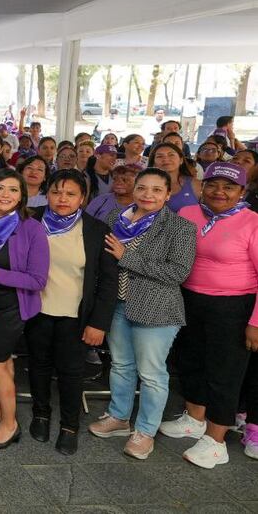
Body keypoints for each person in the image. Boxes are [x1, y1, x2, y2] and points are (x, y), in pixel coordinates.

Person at [89, 168, 196, 460]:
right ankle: (119, 417)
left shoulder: (180, 227)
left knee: (151, 374)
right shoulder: (116, 218)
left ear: (168, 194)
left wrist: (127, 257)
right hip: (118, 304)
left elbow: (178, 272)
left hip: (157, 309)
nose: (148, 194)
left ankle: (145, 431)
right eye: (142, 188)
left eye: (156, 190)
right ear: (134, 190)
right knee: (121, 365)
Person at [163, 162, 258, 468]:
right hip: (189, 299)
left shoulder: (252, 222)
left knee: (224, 373)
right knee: (191, 361)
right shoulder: (188, 213)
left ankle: (216, 441)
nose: (219, 192)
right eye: (213, 185)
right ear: (202, 187)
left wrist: (255, 322)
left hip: (233, 307)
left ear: (241, 191)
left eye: (228, 187)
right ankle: (194, 419)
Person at [25, 169, 118, 455]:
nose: (62, 199)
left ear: (83, 198)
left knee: (71, 372)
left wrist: (99, 323)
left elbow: (108, 282)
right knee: (38, 366)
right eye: (56, 192)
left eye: (70, 194)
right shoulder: (31, 219)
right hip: (36, 310)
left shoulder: (96, 229)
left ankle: (69, 426)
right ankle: (41, 414)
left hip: (75, 316)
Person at [0, 169, 50, 449]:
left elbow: (37, 280)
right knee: (2, 362)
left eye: (13, 189)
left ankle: (9, 425)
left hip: (11, 306)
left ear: (22, 195)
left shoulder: (31, 228)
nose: (5, 195)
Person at [149, 142, 200, 212]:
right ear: (153, 163)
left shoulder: (196, 185)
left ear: (181, 160)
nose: (166, 159)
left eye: (171, 155)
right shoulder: (142, 185)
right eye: (159, 156)